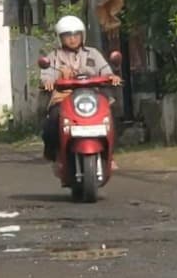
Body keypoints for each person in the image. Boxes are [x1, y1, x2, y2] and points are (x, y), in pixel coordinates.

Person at [39, 15, 121, 166]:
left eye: (76, 35)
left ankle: (109, 155)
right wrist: (48, 81)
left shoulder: (93, 54)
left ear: (82, 35)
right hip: (64, 98)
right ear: (60, 38)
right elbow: (47, 75)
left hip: (92, 97)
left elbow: (105, 71)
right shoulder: (54, 57)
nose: (72, 39)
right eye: (67, 36)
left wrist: (112, 77)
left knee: (109, 117)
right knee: (53, 119)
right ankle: (55, 153)